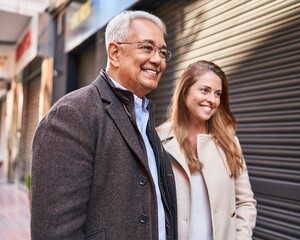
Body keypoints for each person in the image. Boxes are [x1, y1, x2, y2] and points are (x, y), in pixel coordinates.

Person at [31, 10, 177, 239]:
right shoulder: (72, 114)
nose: (157, 59)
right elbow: (55, 233)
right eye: (147, 48)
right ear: (115, 53)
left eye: (162, 52)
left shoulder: (144, 115)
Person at [157, 60, 257, 240]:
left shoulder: (229, 143)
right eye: (204, 90)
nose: (212, 100)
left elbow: (245, 202)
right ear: (185, 91)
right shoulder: (159, 140)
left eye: (218, 94)